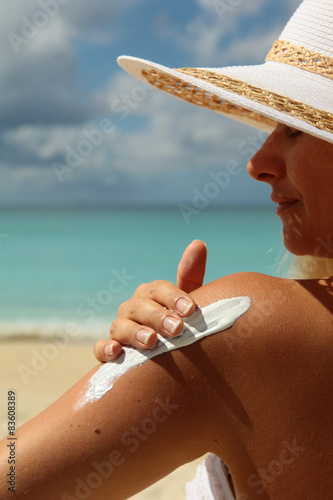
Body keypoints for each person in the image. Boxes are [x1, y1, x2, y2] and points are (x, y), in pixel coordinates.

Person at [1, 1, 332, 498]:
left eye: (294, 129)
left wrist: (193, 360)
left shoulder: (253, 324)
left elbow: (13, 477)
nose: (258, 162)